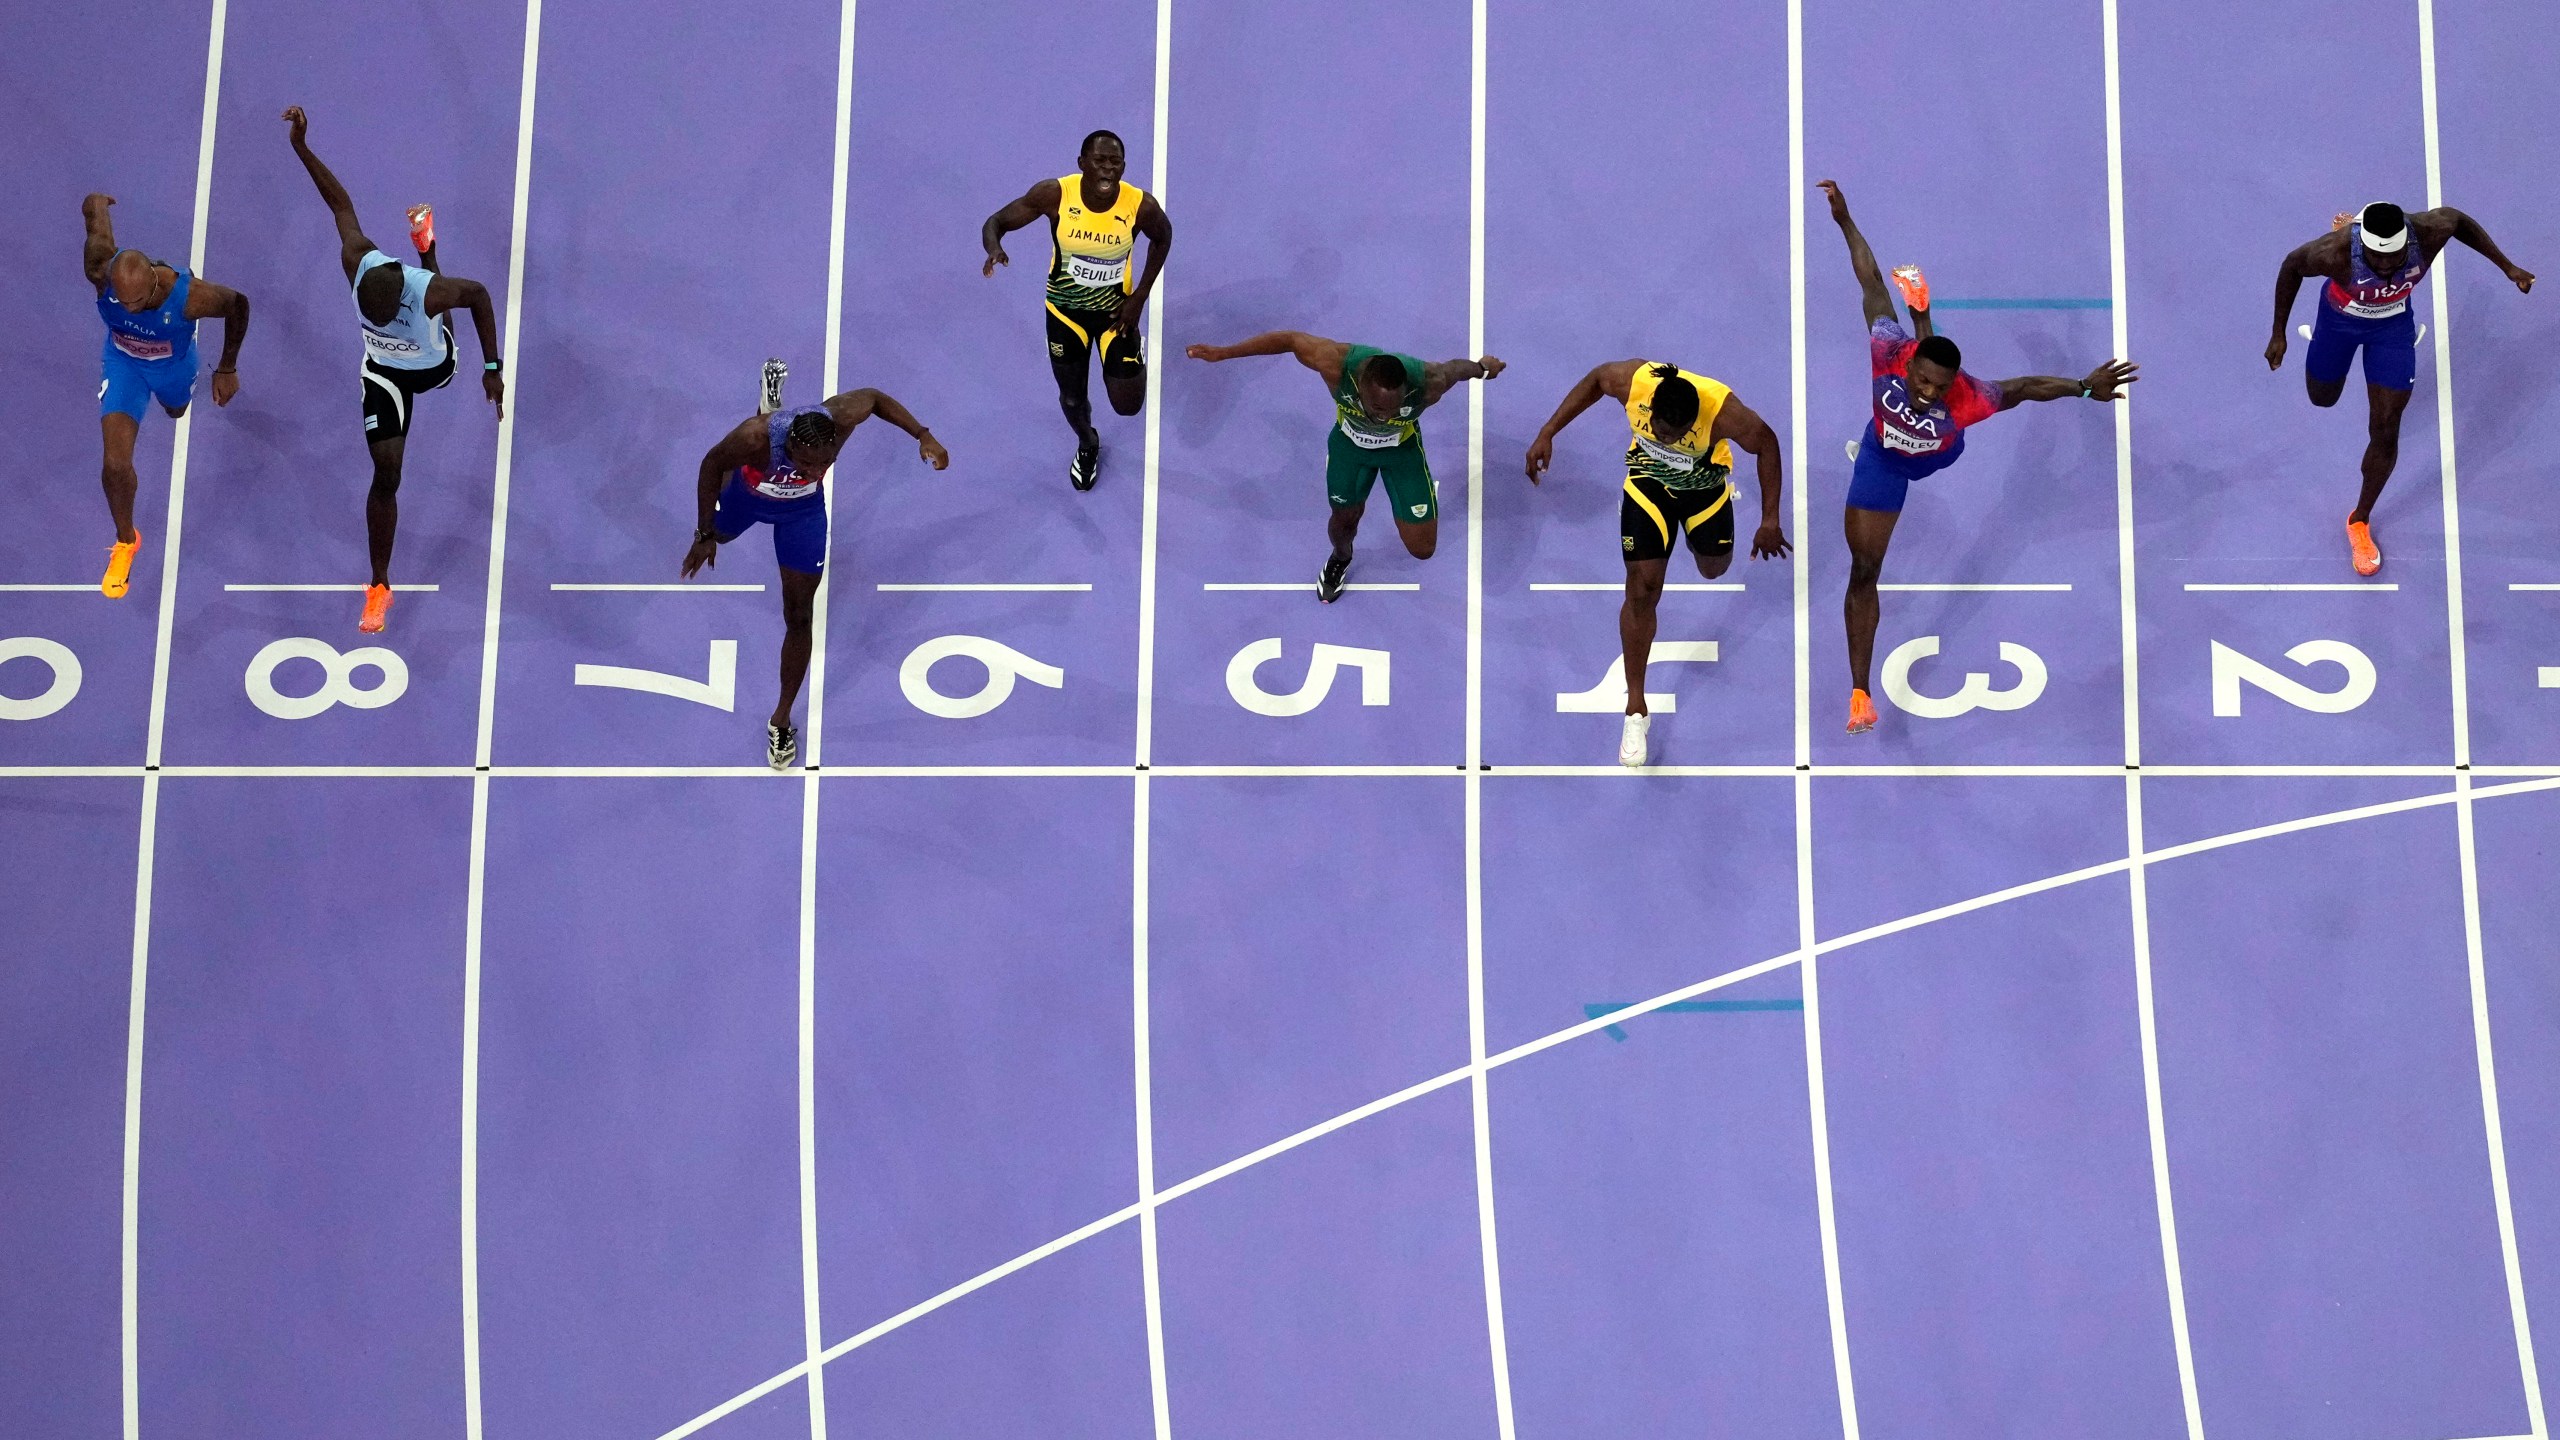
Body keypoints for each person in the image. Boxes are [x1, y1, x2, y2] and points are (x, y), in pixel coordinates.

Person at [1819, 179, 2137, 734]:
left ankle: (1925, 310)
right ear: (1911, 364)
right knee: (1864, 571)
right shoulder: (1889, 350)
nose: (1927, 392)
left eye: (1937, 387)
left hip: (1939, 454)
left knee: (1980, 428)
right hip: (1884, 460)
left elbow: (2028, 387)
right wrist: (1845, 221)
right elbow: (1869, 280)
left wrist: (2085, 387)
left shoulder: (1969, 397)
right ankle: (1860, 691)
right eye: (1922, 380)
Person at [283, 105, 504, 632]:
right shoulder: (355, 259)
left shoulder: (424, 294)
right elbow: (340, 204)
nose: (381, 317)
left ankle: (427, 248)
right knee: (387, 473)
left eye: (389, 315)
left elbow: (478, 295)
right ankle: (380, 584)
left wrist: (492, 367)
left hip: (434, 365)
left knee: (442, 301)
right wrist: (302, 148)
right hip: (383, 373)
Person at [1526, 358, 1789, 765]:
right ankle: (1635, 711)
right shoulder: (1633, 384)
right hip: (1648, 486)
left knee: (1713, 568)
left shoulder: (1723, 412)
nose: (1666, 440)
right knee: (1642, 590)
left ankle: (1698, 527)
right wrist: (1548, 431)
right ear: (1652, 411)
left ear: (1694, 421)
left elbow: (1767, 442)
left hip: (1704, 491)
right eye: (1660, 432)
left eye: (1676, 434)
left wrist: (1770, 517)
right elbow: (1596, 379)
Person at [681, 388, 948, 769]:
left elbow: (873, 398)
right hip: (748, 496)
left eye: (824, 463)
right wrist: (704, 534)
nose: (812, 471)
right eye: (805, 463)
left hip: (801, 513)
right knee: (723, 526)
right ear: (789, 443)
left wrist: (922, 434)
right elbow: (709, 463)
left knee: (799, 616)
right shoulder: (754, 438)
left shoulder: (839, 418)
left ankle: (781, 720)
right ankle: (765, 410)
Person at [2266, 200, 2533, 575]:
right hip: (2338, 324)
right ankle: (2353, 224)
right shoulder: (2333, 253)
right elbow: (2292, 266)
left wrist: (2508, 267)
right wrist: (2279, 333)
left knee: (2387, 426)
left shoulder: (2427, 232)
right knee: (2322, 398)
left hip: (2392, 331)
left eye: (2396, 257)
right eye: (2379, 258)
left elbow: (2458, 219)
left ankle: (2359, 520)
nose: (2389, 267)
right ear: (2364, 246)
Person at [1183, 331, 1503, 600]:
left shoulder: (1428, 382)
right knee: (1344, 520)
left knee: (1422, 549)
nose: (1383, 415)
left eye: (1393, 408)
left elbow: (1458, 370)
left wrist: (1483, 368)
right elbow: (1290, 340)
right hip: (1349, 448)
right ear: (1361, 385)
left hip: (1400, 450)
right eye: (1377, 407)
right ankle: (1340, 557)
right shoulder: (1335, 364)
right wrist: (1224, 353)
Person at [981, 130, 1172, 491]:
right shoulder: (1054, 194)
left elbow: (1163, 237)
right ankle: (1087, 444)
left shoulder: (1138, 204)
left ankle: (1125, 357)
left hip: (1117, 314)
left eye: (1115, 162)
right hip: (1065, 315)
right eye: (1099, 160)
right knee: (1072, 398)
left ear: (1124, 166)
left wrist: (1140, 298)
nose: (1107, 169)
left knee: (1128, 406)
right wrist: (994, 248)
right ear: (1081, 163)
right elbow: (996, 222)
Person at [82, 192, 250, 598]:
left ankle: (174, 401)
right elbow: (94, 217)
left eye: (136, 302)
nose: (129, 308)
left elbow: (238, 305)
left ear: (154, 283)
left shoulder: (189, 295)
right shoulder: (99, 270)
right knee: (114, 464)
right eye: (122, 301)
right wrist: (98, 203)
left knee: (176, 410)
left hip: (173, 367)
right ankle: (125, 542)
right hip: (124, 366)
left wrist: (227, 367)